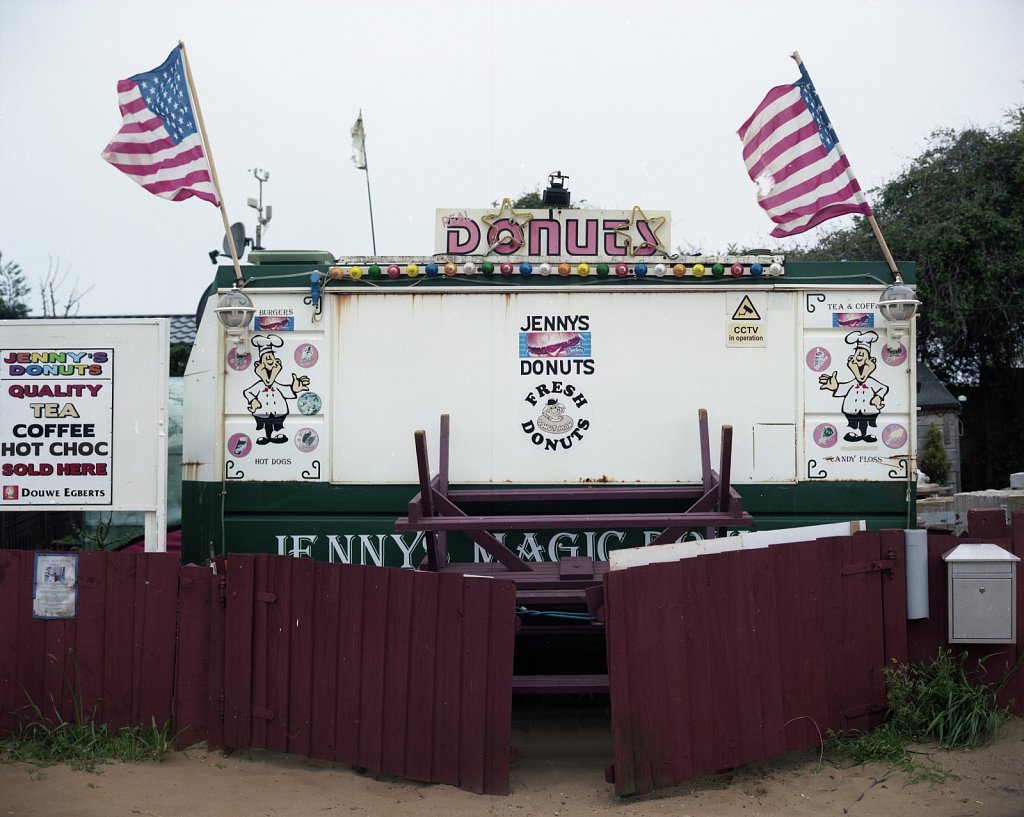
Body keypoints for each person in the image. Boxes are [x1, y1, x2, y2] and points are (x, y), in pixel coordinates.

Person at [818, 330, 889, 443]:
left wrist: (878, 397)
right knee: (853, 422)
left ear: (872, 361)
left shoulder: (871, 382)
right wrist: (835, 387)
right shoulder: (852, 382)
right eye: (856, 357)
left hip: (870, 410)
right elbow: (843, 388)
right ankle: (854, 431)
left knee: (870, 421)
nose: (859, 361)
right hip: (852, 411)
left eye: (863, 358)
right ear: (851, 360)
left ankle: (869, 432)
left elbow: (883, 388)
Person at [242, 334, 310, 444]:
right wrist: (253, 400)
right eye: (266, 359)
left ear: (277, 363)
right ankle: (263, 434)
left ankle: (277, 431)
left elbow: (286, 391)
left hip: (278, 413)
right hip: (262, 413)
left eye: (272, 359)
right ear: (258, 365)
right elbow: (248, 392)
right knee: (263, 424)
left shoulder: (276, 385)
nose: (269, 360)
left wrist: (294, 389)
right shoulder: (259, 386)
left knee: (278, 423)